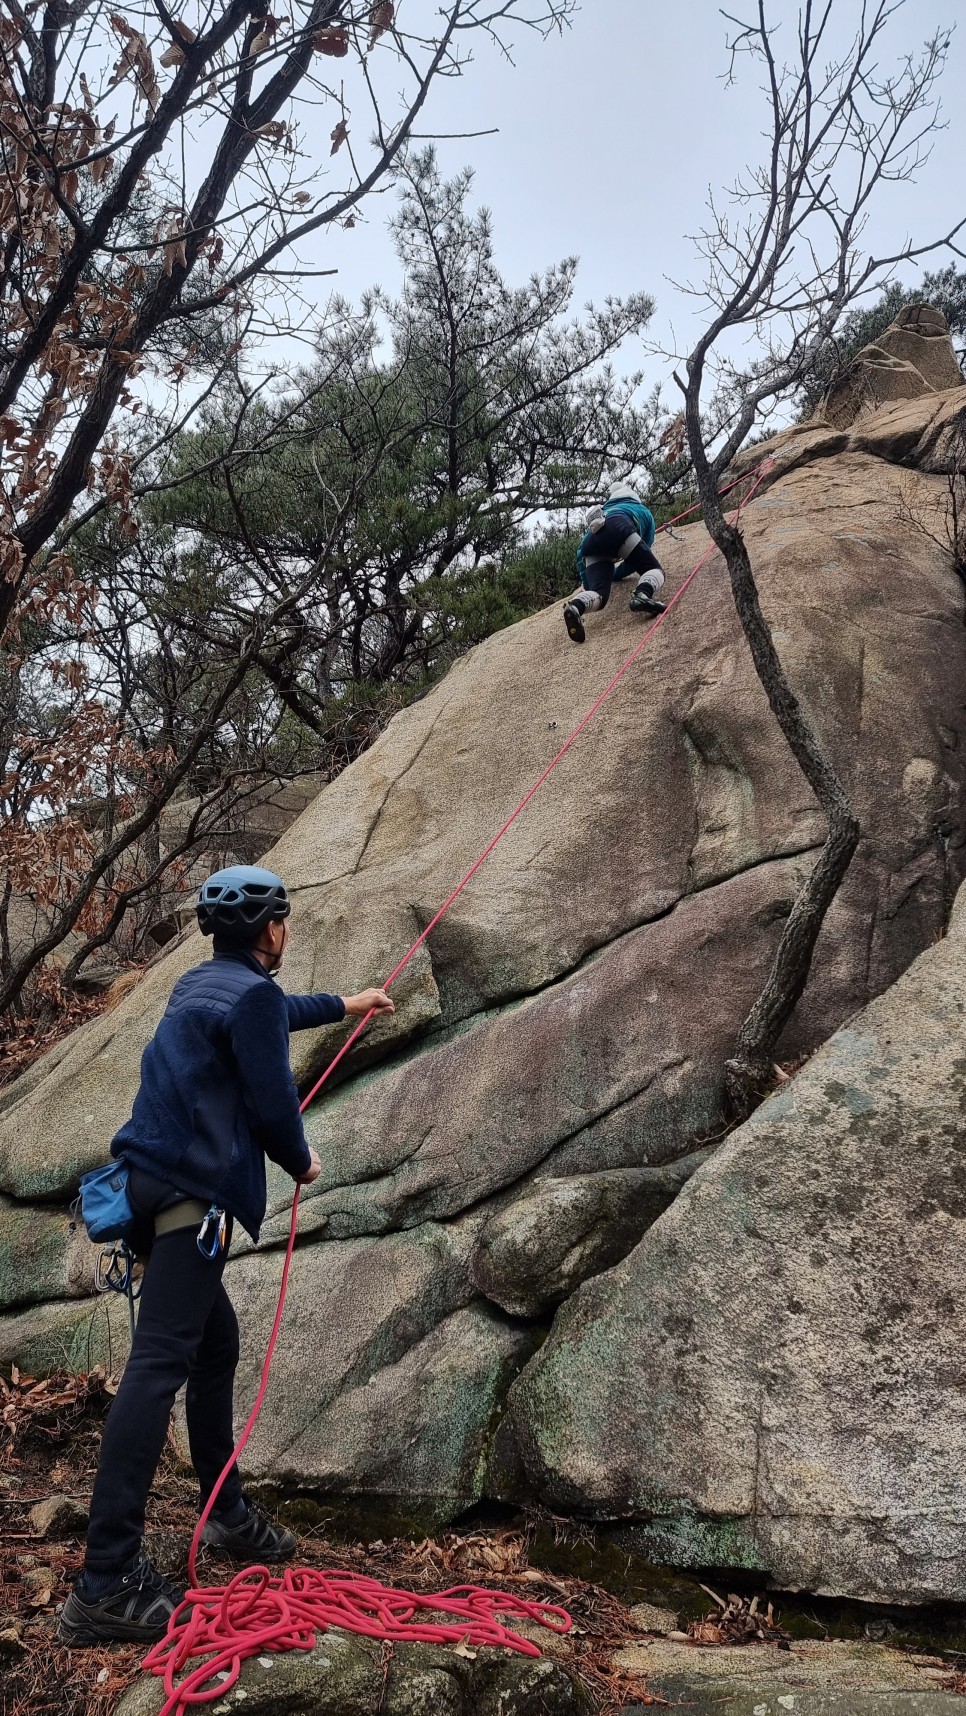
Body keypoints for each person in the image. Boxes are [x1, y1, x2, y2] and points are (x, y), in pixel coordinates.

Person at [59, 865, 394, 1646]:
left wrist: (348, 1004)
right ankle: (105, 1580)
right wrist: (301, 1160)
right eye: (284, 922)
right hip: (192, 1196)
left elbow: (271, 1014)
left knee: (215, 1342)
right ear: (272, 928)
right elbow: (274, 1098)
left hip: (145, 1187)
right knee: (159, 1366)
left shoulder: (199, 987)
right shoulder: (249, 997)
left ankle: (226, 1514)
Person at [563, 481, 667, 644]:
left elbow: (580, 553)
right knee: (654, 569)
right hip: (620, 528)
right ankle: (643, 594)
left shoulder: (602, 513)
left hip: (591, 543)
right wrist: (618, 573)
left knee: (600, 595)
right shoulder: (642, 510)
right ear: (634, 497)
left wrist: (591, 583)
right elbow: (643, 549)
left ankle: (576, 606)